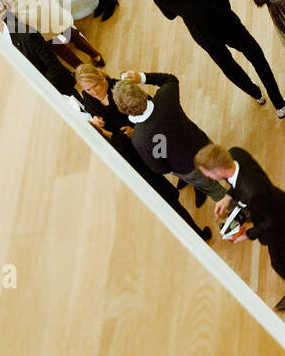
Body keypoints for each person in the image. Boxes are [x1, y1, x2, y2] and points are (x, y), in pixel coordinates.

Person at [195, 143, 285, 311]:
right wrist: (227, 197)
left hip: (277, 221)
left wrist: (248, 235)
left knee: (278, 261)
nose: (207, 177)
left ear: (219, 171)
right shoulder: (234, 154)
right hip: (279, 201)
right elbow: (237, 182)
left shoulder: (252, 192)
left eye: (207, 174)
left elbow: (274, 220)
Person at [73, 65, 211, 241]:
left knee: (172, 162)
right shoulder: (89, 100)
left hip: (151, 140)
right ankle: (188, 183)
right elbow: (101, 119)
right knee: (163, 176)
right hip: (135, 151)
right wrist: (96, 122)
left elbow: (150, 112)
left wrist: (135, 131)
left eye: (95, 86)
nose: (92, 92)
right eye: (87, 89)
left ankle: (195, 185)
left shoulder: (123, 90)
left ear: (102, 77)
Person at [148, 0, 285, 117]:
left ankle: (256, 94)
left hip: (201, 34)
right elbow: (223, 4)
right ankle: (279, 104)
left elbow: (170, 15)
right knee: (256, 56)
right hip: (226, 25)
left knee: (228, 66)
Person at [111, 72, 228, 208]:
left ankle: (244, 213)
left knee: (215, 190)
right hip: (204, 144)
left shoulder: (139, 139)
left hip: (188, 168)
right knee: (227, 171)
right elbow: (170, 79)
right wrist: (141, 77)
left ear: (123, 110)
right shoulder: (166, 96)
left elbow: (159, 167)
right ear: (141, 92)